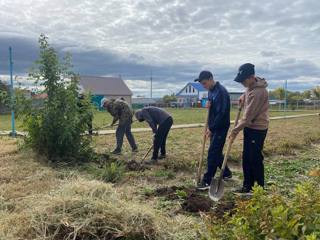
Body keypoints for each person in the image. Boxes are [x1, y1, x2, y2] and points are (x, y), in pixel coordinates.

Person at [229, 63, 269, 193]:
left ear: (252, 77)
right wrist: (243, 97)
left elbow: (247, 118)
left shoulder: (258, 92)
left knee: (255, 158)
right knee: (246, 157)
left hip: (257, 129)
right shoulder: (250, 87)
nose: (242, 83)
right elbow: (247, 93)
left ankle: (259, 189)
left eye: (243, 80)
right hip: (250, 127)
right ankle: (248, 186)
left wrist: (235, 130)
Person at [195, 71, 232, 190]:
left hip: (220, 127)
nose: (204, 86)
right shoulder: (211, 91)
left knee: (212, 152)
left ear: (211, 79)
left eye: (205, 83)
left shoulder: (221, 92)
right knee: (216, 151)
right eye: (202, 84)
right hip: (214, 126)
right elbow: (214, 109)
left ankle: (207, 180)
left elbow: (221, 114)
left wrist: (212, 128)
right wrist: (208, 106)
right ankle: (226, 173)